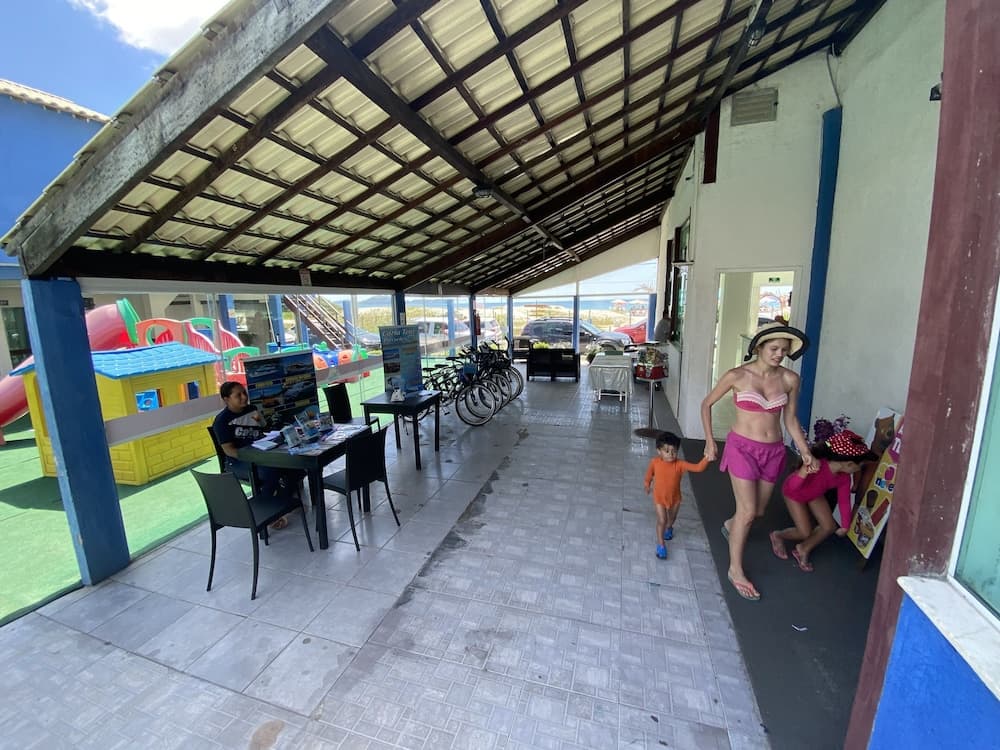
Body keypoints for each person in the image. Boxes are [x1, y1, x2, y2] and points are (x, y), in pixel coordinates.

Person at [700, 322, 813, 601]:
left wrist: (805, 451)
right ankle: (735, 570)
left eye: (784, 350)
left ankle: (731, 525)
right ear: (759, 347)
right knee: (748, 511)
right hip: (742, 448)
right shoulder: (737, 375)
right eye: (774, 348)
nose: (779, 354)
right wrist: (710, 441)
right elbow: (706, 404)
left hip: (773, 451)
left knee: (758, 511)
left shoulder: (790, 380)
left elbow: (790, 419)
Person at [770, 430, 878, 571]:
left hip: (815, 494)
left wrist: (845, 525)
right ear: (849, 464)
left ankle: (803, 548)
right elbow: (792, 486)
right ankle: (778, 535)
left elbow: (844, 501)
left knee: (829, 526)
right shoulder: (818, 465)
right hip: (794, 494)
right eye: (860, 466)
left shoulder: (844, 477)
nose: (859, 469)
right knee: (804, 532)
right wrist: (804, 471)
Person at [212, 381, 301, 529]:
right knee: (270, 472)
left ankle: (280, 505)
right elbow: (228, 450)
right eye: (238, 395)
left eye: (244, 393)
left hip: (261, 454)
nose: (244, 397)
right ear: (226, 399)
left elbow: (264, 430)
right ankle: (269, 514)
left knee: (296, 467)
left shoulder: (252, 409)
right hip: (238, 461)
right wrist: (253, 458)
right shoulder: (222, 421)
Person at [644, 431, 711, 559]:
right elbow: (649, 475)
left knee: (671, 520)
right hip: (659, 498)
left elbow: (698, 468)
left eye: (674, 451)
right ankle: (661, 545)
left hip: (674, 499)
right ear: (659, 451)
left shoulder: (680, 464)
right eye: (667, 451)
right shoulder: (655, 462)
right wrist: (647, 484)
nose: (671, 454)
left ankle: (669, 528)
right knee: (662, 520)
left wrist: (707, 457)